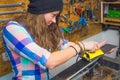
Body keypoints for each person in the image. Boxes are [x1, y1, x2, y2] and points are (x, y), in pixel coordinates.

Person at [2, 0, 107, 80]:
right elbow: (49, 61)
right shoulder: (13, 29)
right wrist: (81, 46)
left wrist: (94, 48)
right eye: (53, 15)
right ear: (40, 11)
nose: (54, 20)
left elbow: (64, 44)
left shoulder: (41, 28)